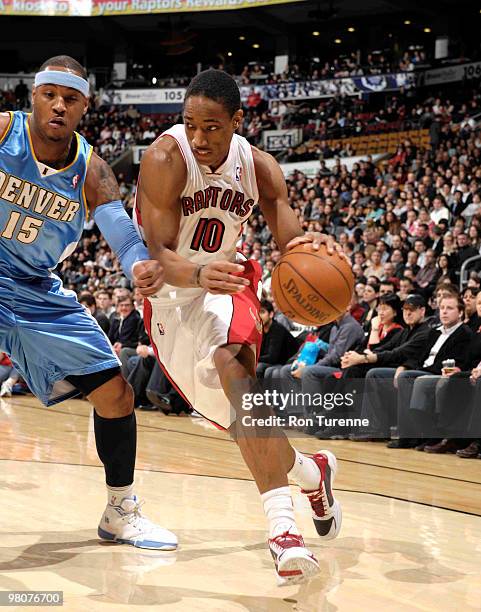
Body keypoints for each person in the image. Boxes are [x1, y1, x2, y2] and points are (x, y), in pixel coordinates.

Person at [136, 69, 344, 585]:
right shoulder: (165, 158)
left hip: (228, 282)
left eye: (212, 127)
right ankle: (312, 472)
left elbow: (287, 239)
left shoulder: (261, 167)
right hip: (170, 297)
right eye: (190, 125)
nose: (200, 138)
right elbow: (159, 254)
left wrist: (311, 248)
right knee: (239, 424)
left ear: (237, 121)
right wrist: (198, 272)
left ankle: (283, 531)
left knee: (239, 378)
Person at [0, 56, 176, 550]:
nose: (58, 105)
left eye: (70, 98)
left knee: (116, 395)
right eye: (49, 94)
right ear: (32, 96)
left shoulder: (92, 170)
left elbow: (123, 238)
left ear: (84, 106)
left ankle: (121, 509)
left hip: (37, 287)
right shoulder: (1, 133)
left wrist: (139, 265)